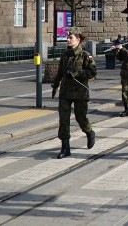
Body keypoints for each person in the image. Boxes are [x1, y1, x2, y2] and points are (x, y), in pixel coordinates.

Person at [52, 28, 97, 159]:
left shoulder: (85, 55)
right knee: (63, 120)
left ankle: (89, 132)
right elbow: (60, 72)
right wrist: (55, 84)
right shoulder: (65, 55)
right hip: (65, 92)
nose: (68, 40)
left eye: (71, 38)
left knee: (80, 117)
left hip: (80, 93)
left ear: (78, 40)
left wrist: (77, 74)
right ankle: (65, 147)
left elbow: (92, 72)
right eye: (67, 38)